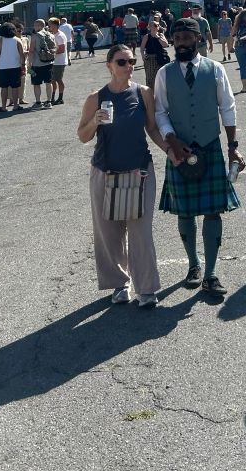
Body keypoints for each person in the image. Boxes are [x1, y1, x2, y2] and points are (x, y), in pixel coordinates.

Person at [154, 18, 245, 297]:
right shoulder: (164, 73)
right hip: (180, 149)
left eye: (186, 37)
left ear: (198, 39)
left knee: (212, 211)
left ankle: (211, 273)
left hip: (209, 146)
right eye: (177, 37)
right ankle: (193, 266)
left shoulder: (215, 69)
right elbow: (160, 112)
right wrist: (172, 139)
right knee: (184, 210)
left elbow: (227, 108)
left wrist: (232, 146)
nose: (181, 42)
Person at [77, 44, 170, 308]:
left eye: (131, 61)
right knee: (109, 231)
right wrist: (94, 121)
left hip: (139, 170)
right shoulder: (96, 98)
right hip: (104, 171)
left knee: (140, 231)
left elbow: (152, 129)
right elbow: (82, 136)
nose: (128, 66)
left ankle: (147, 289)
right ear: (109, 65)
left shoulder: (143, 93)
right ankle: (119, 283)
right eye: (121, 62)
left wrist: (170, 151)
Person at [0, 21, 26, 112]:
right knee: (15, 87)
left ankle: (4, 107)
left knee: (4, 87)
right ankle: (15, 105)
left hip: (2, 67)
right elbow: (22, 54)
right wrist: (23, 65)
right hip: (15, 66)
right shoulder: (17, 40)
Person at [140, 19, 170, 88]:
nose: (156, 27)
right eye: (154, 25)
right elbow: (142, 48)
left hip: (160, 58)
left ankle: (161, 92)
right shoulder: (147, 36)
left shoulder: (161, 35)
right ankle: (150, 93)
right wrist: (143, 56)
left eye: (157, 25)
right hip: (150, 59)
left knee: (161, 77)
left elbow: (165, 45)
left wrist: (158, 37)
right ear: (149, 27)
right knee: (150, 78)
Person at [47, 17, 68, 105]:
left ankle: (60, 98)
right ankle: (52, 97)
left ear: (55, 25)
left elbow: (62, 49)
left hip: (60, 62)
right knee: (53, 80)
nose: (48, 26)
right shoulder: (53, 34)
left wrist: (51, 52)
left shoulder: (60, 35)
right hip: (54, 61)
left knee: (58, 80)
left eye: (50, 25)